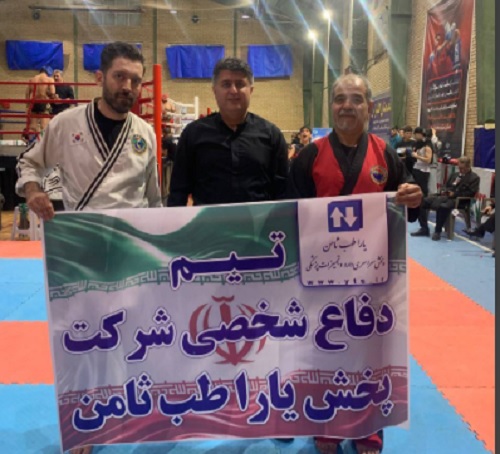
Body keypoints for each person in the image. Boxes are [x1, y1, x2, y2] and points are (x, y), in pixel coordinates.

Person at [287, 73, 422, 454]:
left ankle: (369, 430)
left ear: (369, 107)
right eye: (340, 98)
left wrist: (413, 196)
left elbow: (409, 204)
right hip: (321, 275)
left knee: (370, 353)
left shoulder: (385, 154)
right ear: (331, 105)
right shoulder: (310, 156)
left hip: (372, 276)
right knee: (323, 349)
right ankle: (327, 426)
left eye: (356, 99)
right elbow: (289, 211)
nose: (347, 105)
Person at [17, 41, 161, 220]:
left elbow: (154, 198)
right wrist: (33, 191)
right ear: (99, 78)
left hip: (130, 232)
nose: (127, 87)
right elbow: (29, 162)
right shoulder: (66, 123)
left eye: (135, 81)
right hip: (84, 230)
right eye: (119, 76)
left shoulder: (146, 133)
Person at [167, 57, 288, 206]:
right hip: (208, 221)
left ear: (251, 90)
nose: (233, 90)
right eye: (226, 84)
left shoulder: (272, 136)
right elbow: (178, 191)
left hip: (259, 221)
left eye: (240, 84)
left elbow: (283, 192)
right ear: (214, 90)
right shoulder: (193, 134)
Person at [411, 156, 479, 240]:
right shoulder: (455, 175)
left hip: (460, 201)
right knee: (421, 201)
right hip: (445, 197)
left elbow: (471, 193)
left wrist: (454, 194)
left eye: (462, 168)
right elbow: (446, 186)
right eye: (459, 168)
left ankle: (437, 231)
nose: (460, 170)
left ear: (468, 167)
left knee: (443, 206)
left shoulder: (474, 178)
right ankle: (424, 228)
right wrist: (445, 191)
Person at [26, 66, 56, 133]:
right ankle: (43, 139)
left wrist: (28, 105)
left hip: (33, 102)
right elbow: (52, 93)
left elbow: (27, 93)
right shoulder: (49, 79)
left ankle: (33, 139)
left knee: (33, 126)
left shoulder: (32, 79)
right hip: (43, 102)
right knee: (44, 126)